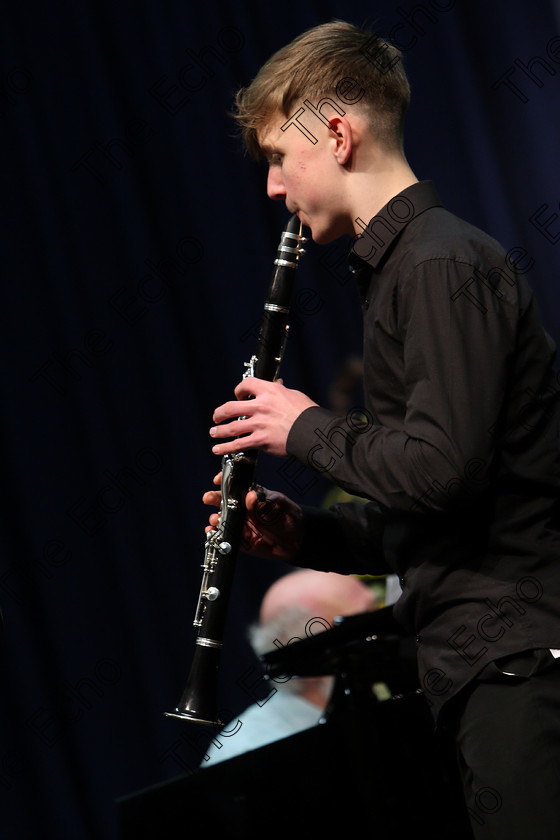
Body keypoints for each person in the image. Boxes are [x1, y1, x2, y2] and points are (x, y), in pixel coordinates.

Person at [203, 21, 560, 838]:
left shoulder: (435, 265)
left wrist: (304, 426)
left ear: (336, 134)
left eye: (276, 159)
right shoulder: (408, 270)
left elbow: (441, 471)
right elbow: (440, 509)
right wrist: (307, 536)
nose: (270, 189)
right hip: (484, 663)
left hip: (518, 660)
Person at [203, 568, 377, 765]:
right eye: (365, 621)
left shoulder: (376, 707)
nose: (380, 634)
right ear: (310, 656)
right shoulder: (247, 752)